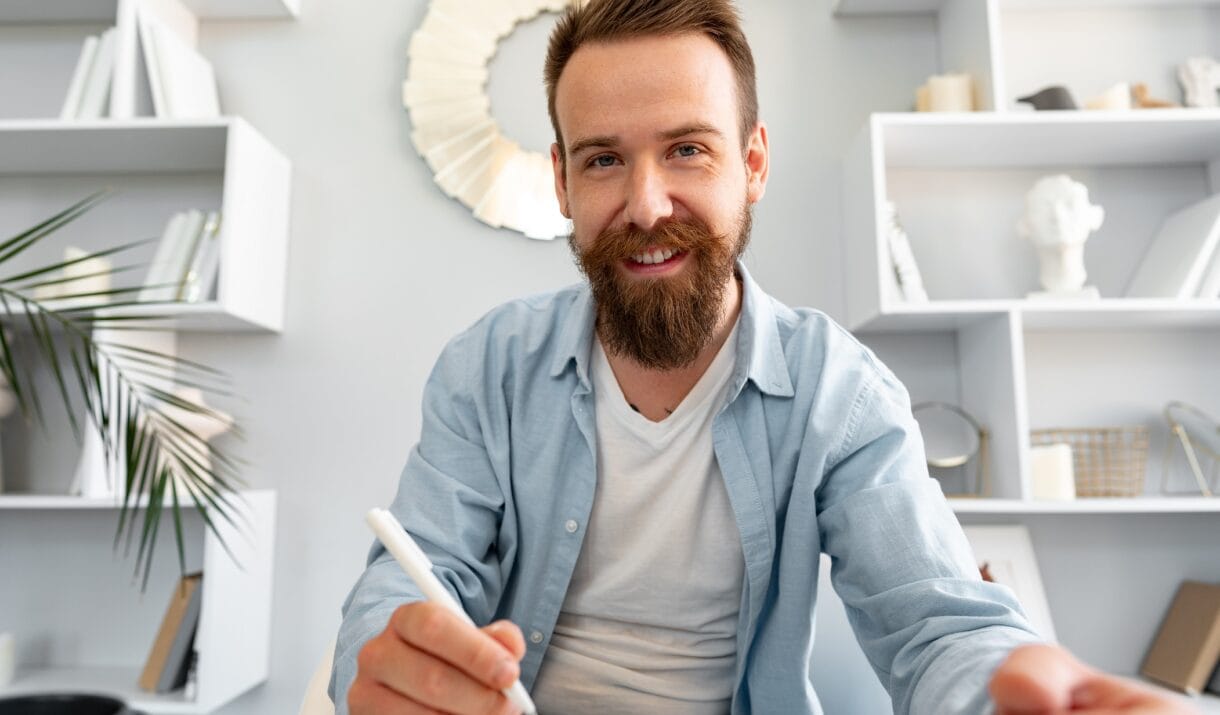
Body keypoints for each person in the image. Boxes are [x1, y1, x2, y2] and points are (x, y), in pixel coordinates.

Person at [331, 2, 1196, 713]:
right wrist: (389, 655)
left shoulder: (841, 394)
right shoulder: (486, 368)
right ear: (563, 182)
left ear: (752, 163)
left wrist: (1011, 696)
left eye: (687, 150)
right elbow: (412, 575)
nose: (646, 202)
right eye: (604, 160)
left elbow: (937, 622)